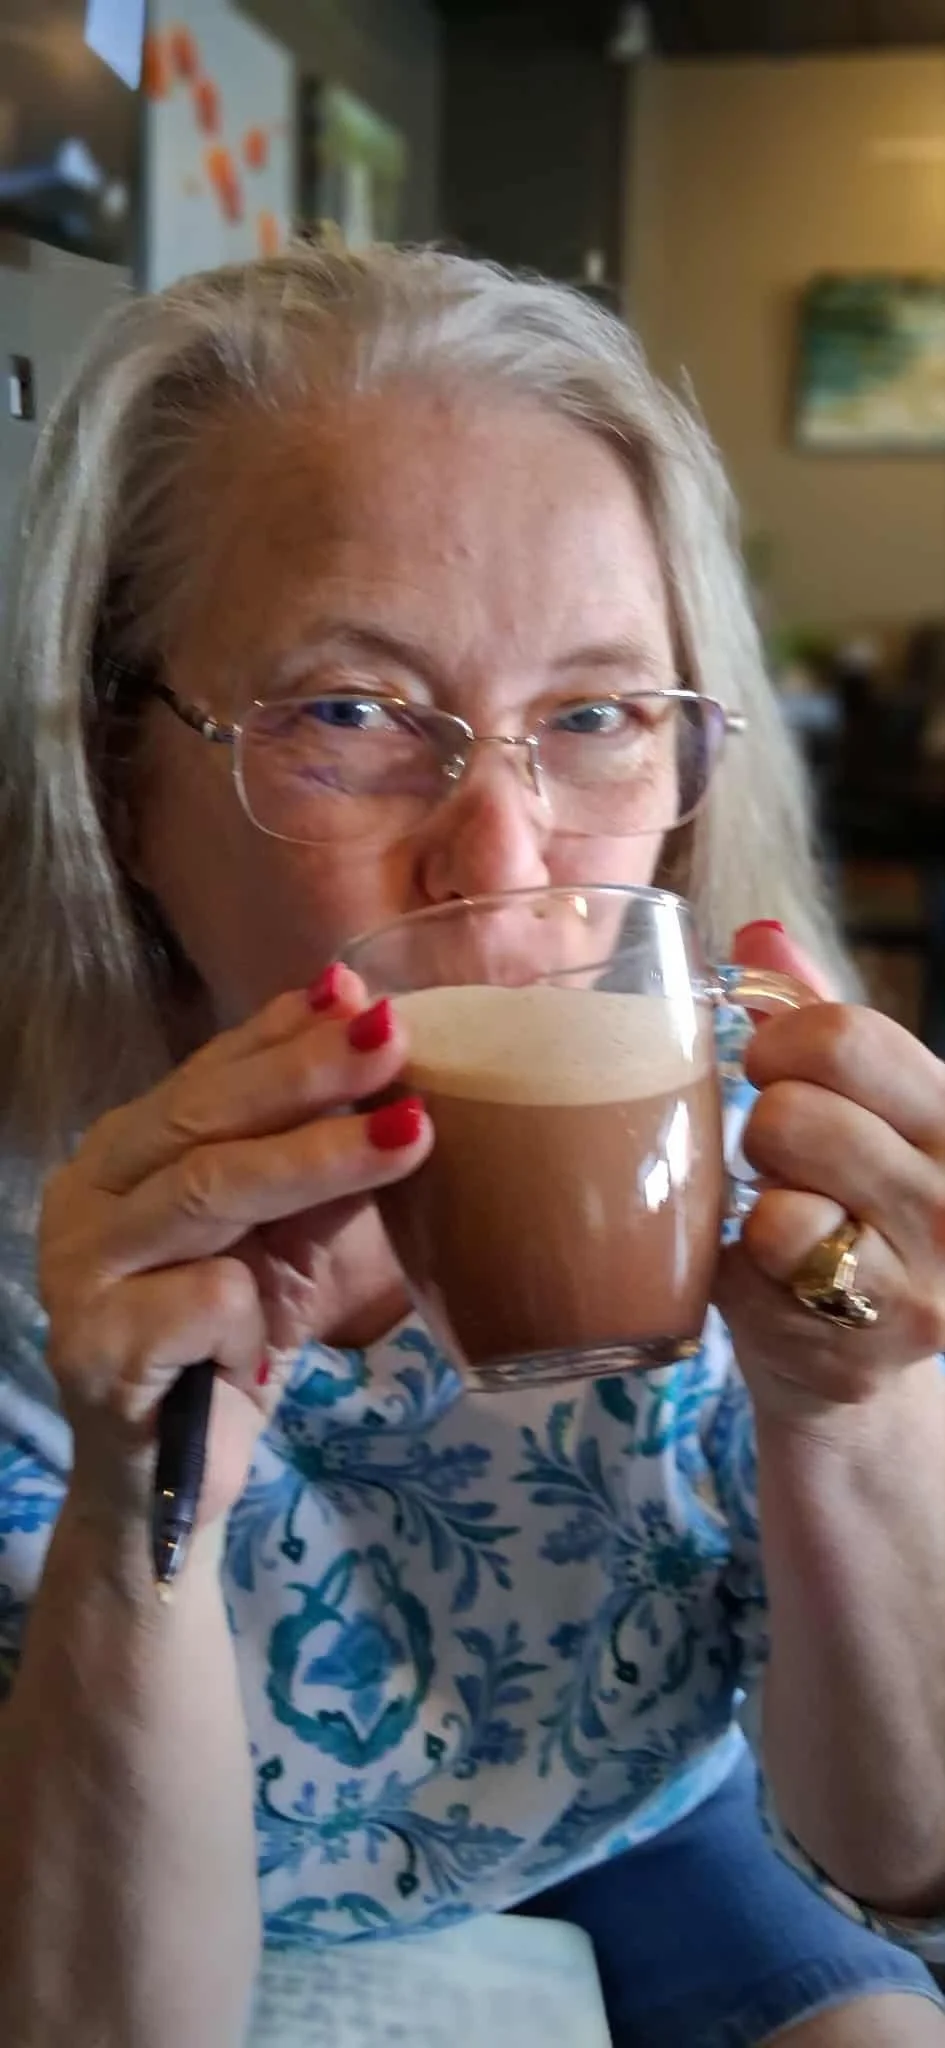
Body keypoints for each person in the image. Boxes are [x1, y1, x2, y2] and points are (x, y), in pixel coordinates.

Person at [0, 245, 944, 2048]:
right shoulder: (47, 1244)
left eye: (593, 718)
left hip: (654, 1820)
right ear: (122, 784)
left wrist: (860, 1407)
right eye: (349, 715)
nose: (507, 867)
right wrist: (148, 1488)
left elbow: (912, 1854)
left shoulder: (772, 1172)